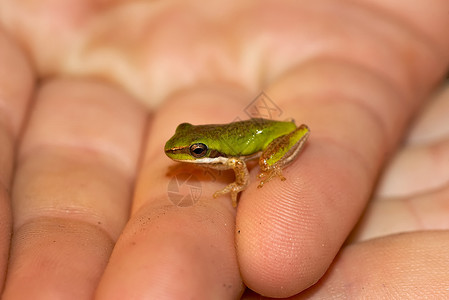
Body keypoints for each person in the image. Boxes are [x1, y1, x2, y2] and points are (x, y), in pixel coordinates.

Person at [0, 1, 448, 298]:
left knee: (269, 198)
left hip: (273, 135)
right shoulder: (201, 146)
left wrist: (244, 181)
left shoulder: (231, 158)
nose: (185, 155)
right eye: (192, 148)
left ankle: (274, 162)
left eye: (195, 152)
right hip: (248, 128)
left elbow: (238, 168)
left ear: (206, 150)